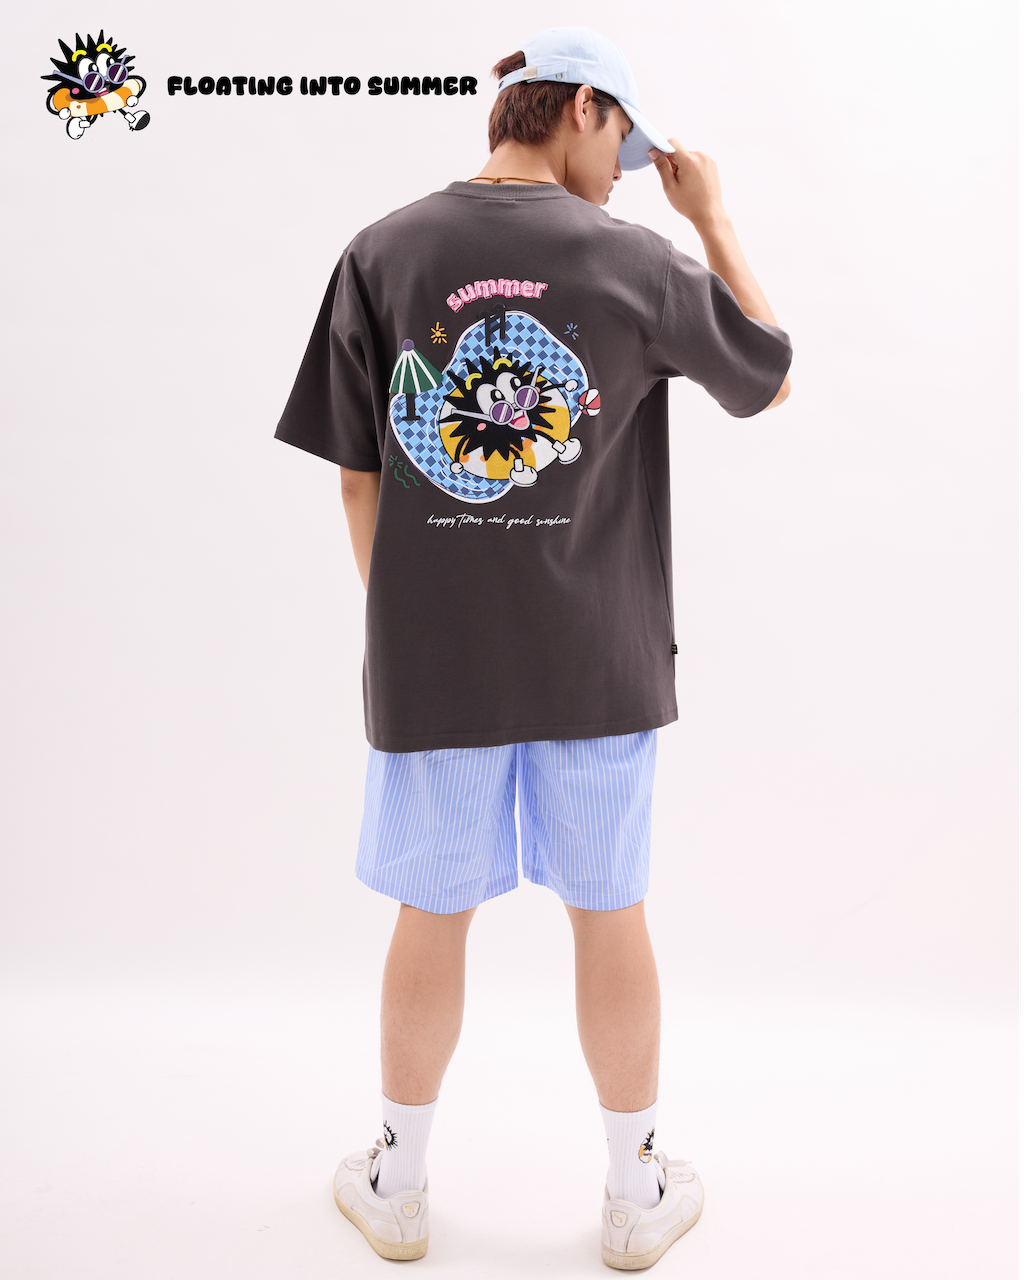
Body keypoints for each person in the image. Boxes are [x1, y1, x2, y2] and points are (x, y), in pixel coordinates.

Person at [275, 25, 792, 1271]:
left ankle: (397, 1182)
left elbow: (356, 475)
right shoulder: (638, 260)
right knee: (610, 913)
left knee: (431, 911)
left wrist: (416, 613)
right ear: (582, 110)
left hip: (438, 666)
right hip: (597, 664)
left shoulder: (383, 250)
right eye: (623, 146)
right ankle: (635, 1189)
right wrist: (713, 220)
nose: (623, 176)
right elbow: (768, 376)